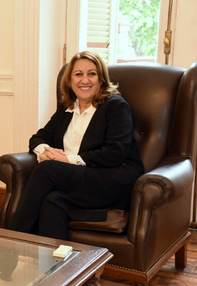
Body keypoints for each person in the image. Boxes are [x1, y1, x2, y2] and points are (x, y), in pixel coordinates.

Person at [8, 51, 144, 241]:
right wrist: (45, 152)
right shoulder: (67, 108)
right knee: (52, 201)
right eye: (78, 74)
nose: (85, 80)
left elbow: (116, 153)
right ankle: (55, 266)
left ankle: (10, 242)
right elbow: (38, 138)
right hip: (78, 181)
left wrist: (66, 159)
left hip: (111, 179)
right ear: (70, 80)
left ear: (101, 79)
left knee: (46, 170)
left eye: (92, 74)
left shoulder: (115, 106)